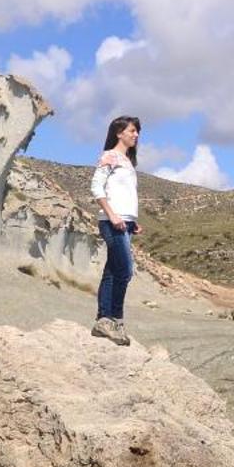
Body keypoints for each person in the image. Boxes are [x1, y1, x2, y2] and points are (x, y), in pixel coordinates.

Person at [89, 114, 142, 345]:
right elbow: (96, 187)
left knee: (112, 271)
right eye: (132, 131)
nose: (136, 135)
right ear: (119, 133)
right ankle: (113, 318)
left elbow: (125, 193)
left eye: (137, 131)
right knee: (125, 271)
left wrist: (132, 220)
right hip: (112, 221)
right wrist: (112, 214)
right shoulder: (110, 156)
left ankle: (105, 321)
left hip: (125, 222)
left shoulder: (128, 161)